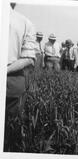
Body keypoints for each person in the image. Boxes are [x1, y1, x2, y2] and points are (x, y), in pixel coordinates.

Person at [5, 3, 37, 151]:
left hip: (11, 82)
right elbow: (29, 58)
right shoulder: (25, 22)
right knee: (9, 131)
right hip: (11, 79)